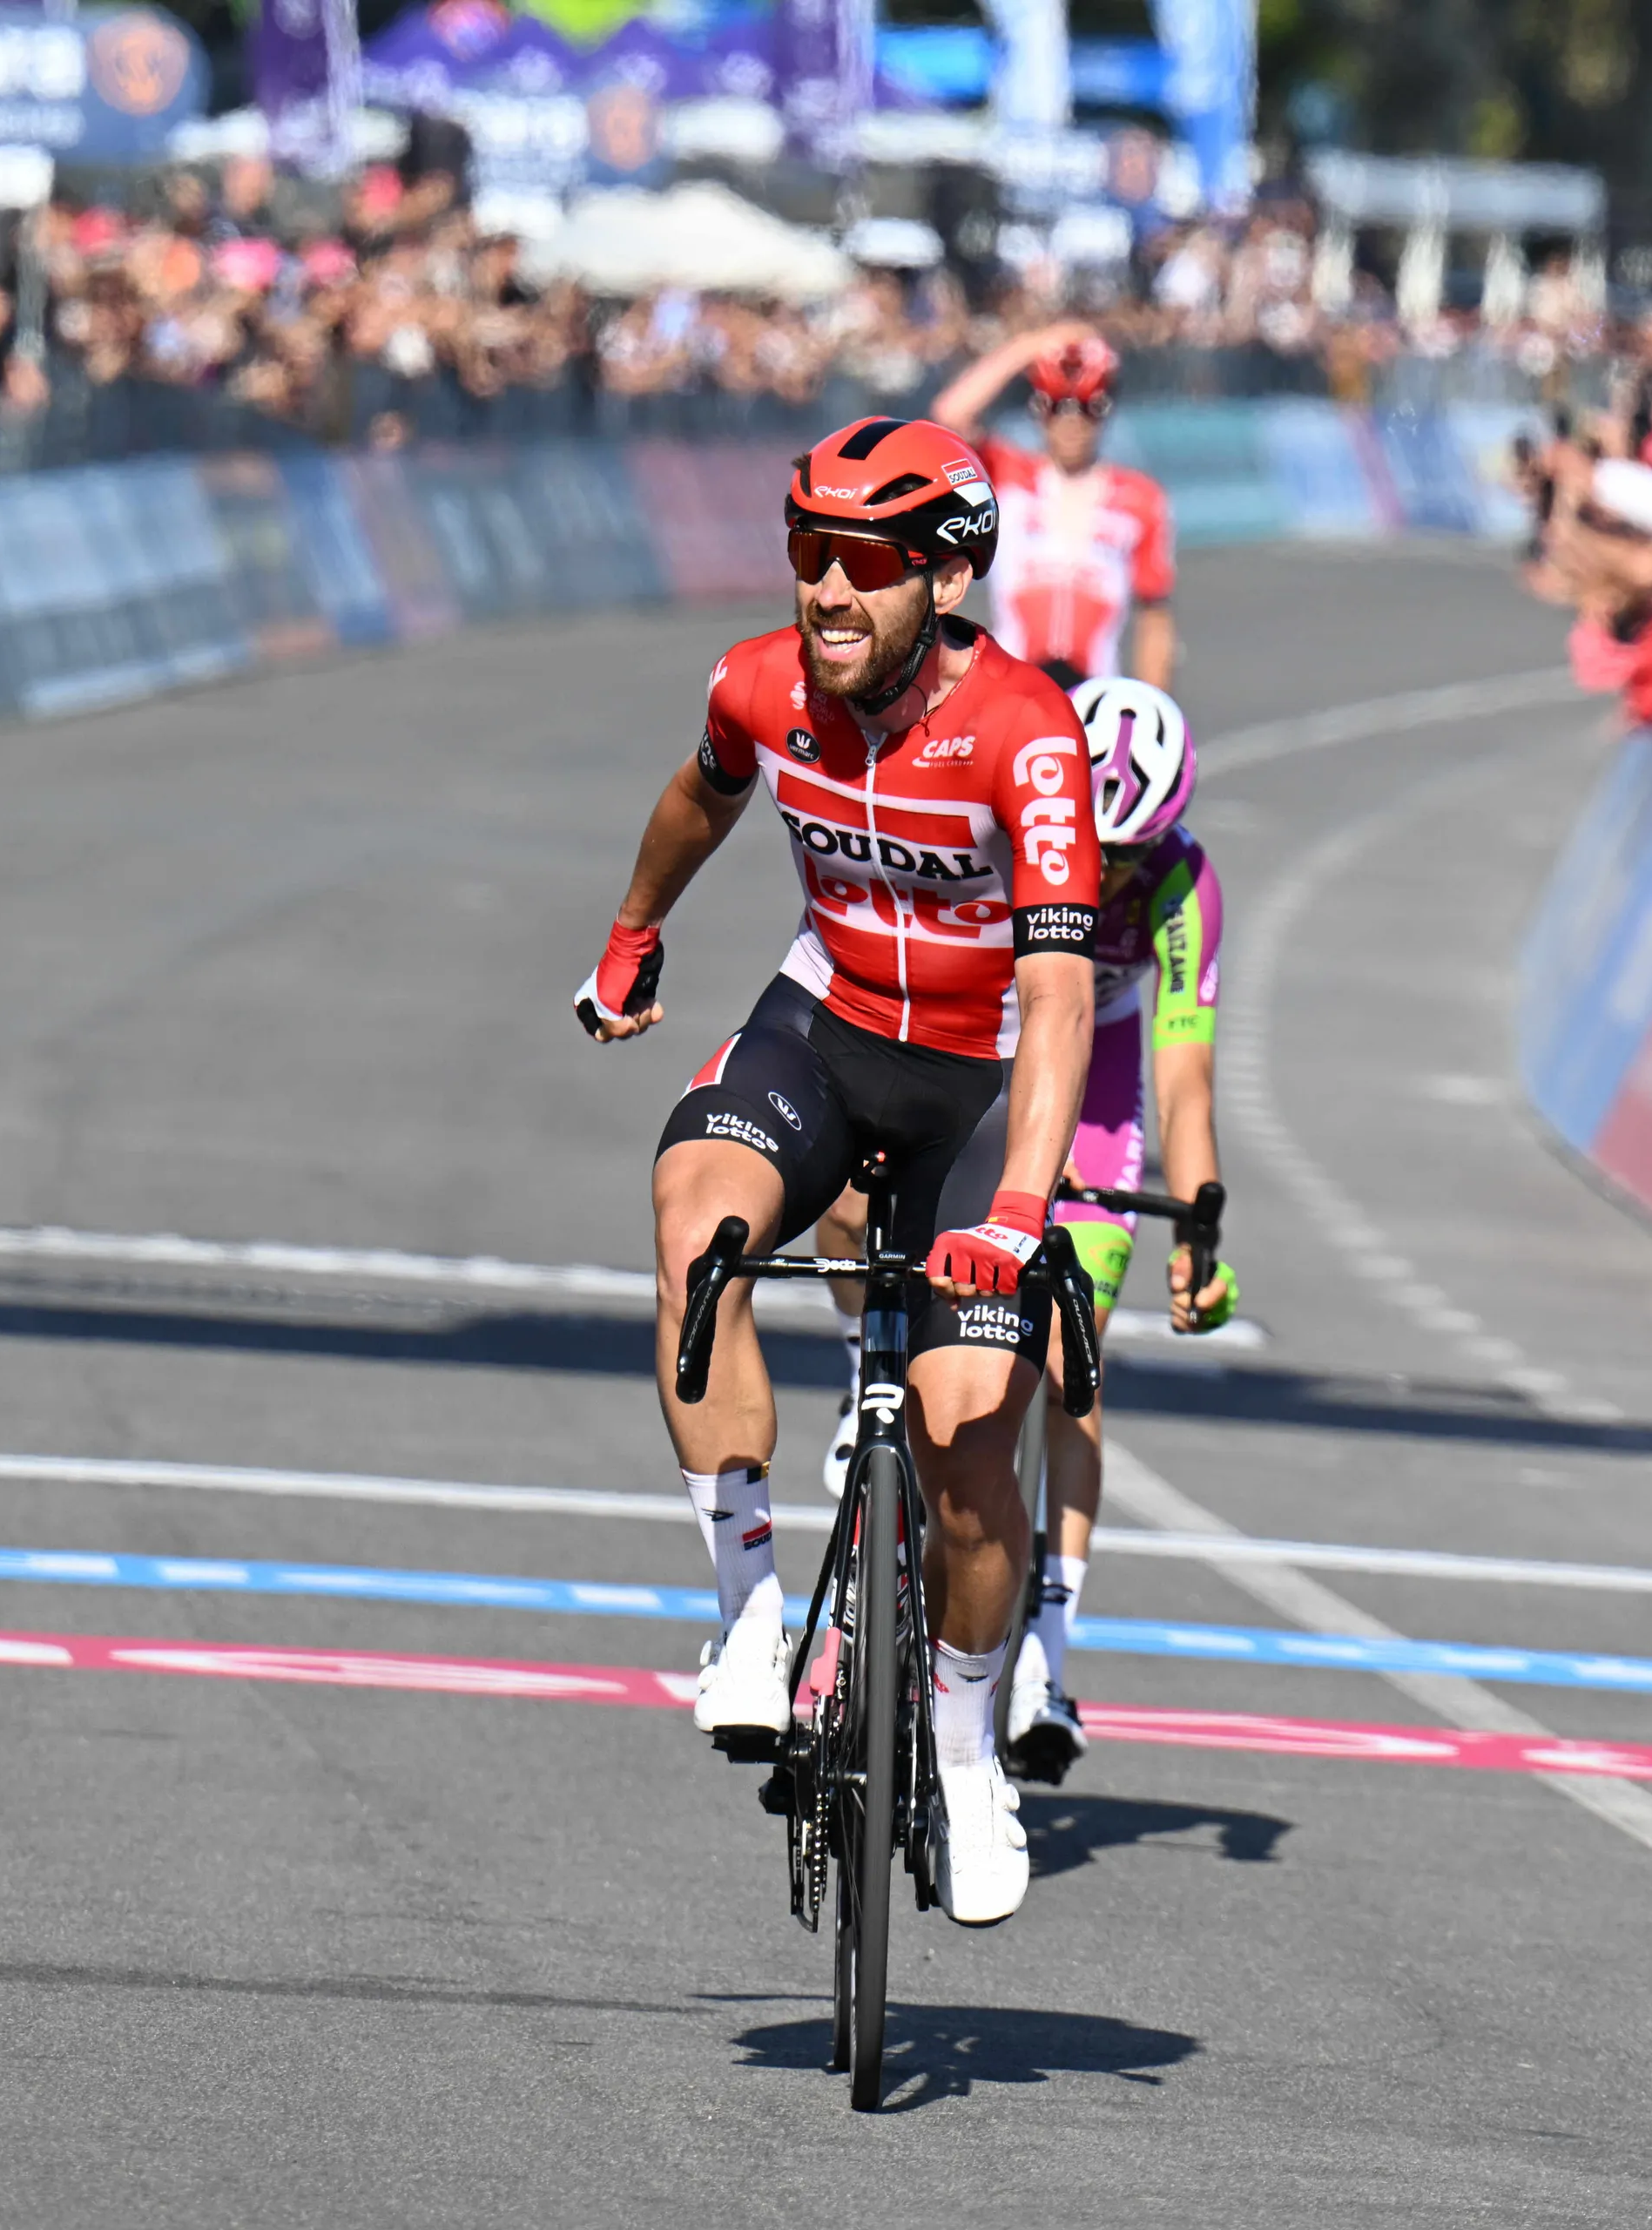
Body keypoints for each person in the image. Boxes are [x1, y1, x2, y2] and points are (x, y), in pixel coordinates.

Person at [574, 416, 1099, 1929]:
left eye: (862, 561)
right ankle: (745, 1617)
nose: (824, 588)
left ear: (945, 574)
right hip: (827, 1028)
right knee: (695, 1231)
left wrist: (1015, 1211)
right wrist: (634, 930)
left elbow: (1060, 996)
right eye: (805, 551)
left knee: (970, 1451)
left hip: (987, 1084)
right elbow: (704, 792)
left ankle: (964, 1747)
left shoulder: (1026, 736)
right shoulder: (761, 684)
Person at [1008, 676, 1238, 1780]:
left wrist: (1200, 1227)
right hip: (985, 1036)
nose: (1109, 873)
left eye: (1132, 853)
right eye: (1100, 847)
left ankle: (1047, 1646)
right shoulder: (1012, 809)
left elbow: (1183, 1076)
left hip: (1096, 1069)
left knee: (1070, 1361)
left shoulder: (1185, 886)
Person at [931, 323, 1179, 690]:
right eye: (1055, 406)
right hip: (1010, 686)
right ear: (1038, 411)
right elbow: (949, 415)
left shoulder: (1141, 498)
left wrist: (1148, 706)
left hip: (1094, 690)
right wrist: (1029, 346)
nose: (1071, 423)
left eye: (1088, 408)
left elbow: (1154, 619)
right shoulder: (1006, 473)